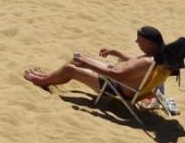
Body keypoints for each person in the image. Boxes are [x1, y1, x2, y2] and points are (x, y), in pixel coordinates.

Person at [23, 26, 185, 98]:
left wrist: (88, 65)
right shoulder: (158, 57)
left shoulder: (149, 61)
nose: (136, 42)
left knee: (70, 68)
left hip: (115, 88)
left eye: (139, 40)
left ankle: (42, 81)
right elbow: (133, 62)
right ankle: (48, 77)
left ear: (150, 43)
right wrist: (115, 52)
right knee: (76, 60)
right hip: (118, 80)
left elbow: (117, 75)